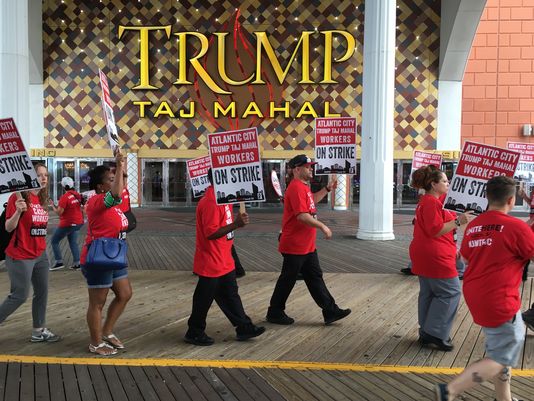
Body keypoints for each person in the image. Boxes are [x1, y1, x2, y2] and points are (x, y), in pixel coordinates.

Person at [435, 176, 534, 401]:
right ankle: (448, 391)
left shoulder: (475, 226)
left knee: (500, 348)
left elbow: (466, 259)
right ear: (511, 200)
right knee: (501, 356)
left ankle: (504, 398)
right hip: (500, 298)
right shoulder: (517, 227)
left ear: (487, 198)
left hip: (476, 294)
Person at [266, 154, 351, 326]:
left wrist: (327, 189)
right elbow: (302, 216)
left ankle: (330, 311)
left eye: (311, 166)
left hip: (305, 245)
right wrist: (322, 226)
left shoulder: (303, 187)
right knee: (288, 279)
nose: (311, 168)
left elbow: (311, 202)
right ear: (297, 169)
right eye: (308, 166)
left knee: (314, 277)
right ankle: (274, 311)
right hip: (295, 245)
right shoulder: (296, 188)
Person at [184, 169, 265, 346]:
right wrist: (236, 224)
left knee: (230, 294)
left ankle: (244, 326)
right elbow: (210, 233)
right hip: (212, 259)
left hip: (223, 258)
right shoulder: (212, 201)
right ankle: (194, 331)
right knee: (204, 297)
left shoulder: (224, 198)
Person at [409, 165, 472, 351]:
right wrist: (458, 221)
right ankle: (434, 332)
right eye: (444, 181)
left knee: (429, 293)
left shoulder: (430, 201)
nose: (448, 183)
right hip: (435, 255)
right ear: (433, 184)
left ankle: (427, 331)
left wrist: (454, 245)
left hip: (429, 253)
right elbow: (435, 230)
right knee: (450, 292)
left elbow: (438, 229)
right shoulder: (430, 202)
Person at [0, 163, 61, 343]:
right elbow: (8, 227)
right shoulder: (18, 197)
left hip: (40, 254)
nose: (43, 178)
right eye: (39, 174)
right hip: (20, 255)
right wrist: (18, 211)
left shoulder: (41, 199)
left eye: (45, 175)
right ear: (28, 176)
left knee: (42, 293)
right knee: (19, 295)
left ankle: (38, 330)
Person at [80, 150, 132, 356]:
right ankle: (95, 343)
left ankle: (107, 331)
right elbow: (117, 193)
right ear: (101, 187)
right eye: (110, 180)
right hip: (98, 258)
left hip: (114, 256)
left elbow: (121, 189)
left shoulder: (117, 204)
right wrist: (118, 166)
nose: (116, 181)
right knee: (97, 302)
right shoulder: (96, 202)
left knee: (125, 294)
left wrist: (122, 166)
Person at [49, 177, 84, 270]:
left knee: (54, 241)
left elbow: (59, 212)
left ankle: (59, 262)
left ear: (63, 186)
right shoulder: (77, 195)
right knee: (73, 242)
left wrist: (52, 205)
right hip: (78, 222)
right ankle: (77, 263)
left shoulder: (64, 197)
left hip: (68, 223)